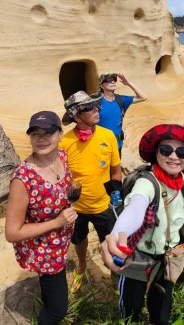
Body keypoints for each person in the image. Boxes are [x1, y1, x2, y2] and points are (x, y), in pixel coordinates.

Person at [100, 124, 184, 325]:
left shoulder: (182, 181)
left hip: (167, 258)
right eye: (166, 150)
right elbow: (136, 208)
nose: (174, 156)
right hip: (137, 255)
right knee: (130, 309)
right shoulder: (147, 182)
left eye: (182, 151)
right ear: (156, 153)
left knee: (161, 310)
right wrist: (116, 235)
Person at [5, 111, 78, 325]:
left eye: (48, 132)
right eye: (35, 133)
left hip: (60, 244)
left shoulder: (62, 157)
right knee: (58, 311)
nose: (41, 138)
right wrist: (57, 222)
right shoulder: (23, 179)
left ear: (60, 134)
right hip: (45, 252)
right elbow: (12, 233)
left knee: (50, 293)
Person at [59, 91, 123, 293]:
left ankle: (114, 275)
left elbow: (115, 170)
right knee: (78, 239)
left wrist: (116, 195)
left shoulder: (108, 135)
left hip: (104, 205)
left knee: (109, 241)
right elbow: (59, 176)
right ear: (77, 117)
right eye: (90, 108)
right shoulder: (64, 142)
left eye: (97, 105)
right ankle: (82, 265)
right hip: (75, 207)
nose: (98, 109)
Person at [97, 73, 148, 153]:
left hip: (118, 145)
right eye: (109, 80)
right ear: (102, 86)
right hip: (100, 146)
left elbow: (143, 97)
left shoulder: (121, 100)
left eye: (114, 80)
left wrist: (128, 83)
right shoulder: (96, 102)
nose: (113, 82)